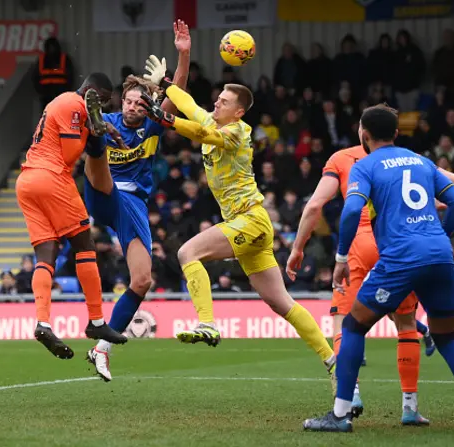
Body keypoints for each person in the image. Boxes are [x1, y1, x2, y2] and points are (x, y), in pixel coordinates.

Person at [302, 104, 454, 434]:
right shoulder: (422, 161)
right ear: (396, 133)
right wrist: (442, 233)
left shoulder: (365, 166)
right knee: (447, 337)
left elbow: (352, 212)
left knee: (352, 327)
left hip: (400, 258)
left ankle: (339, 415)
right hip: (439, 255)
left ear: (363, 135)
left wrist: (339, 259)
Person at [139, 56, 336, 376]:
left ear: (239, 111)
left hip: (250, 220)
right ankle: (331, 359)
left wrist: (164, 118)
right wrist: (166, 86)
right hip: (249, 225)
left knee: (188, 252)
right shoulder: (214, 121)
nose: (217, 103)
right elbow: (190, 106)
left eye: (224, 101)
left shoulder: (238, 132)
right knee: (281, 303)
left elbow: (205, 135)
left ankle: (207, 324)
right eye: (217, 99)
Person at [285, 144, 433, 424]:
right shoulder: (410, 158)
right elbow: (441, 197)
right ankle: (410, 408)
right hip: (395, 241)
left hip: (358, 242)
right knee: (406, 324)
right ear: (395, 133)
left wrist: (297, 248)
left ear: (364, 132)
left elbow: (315, 204)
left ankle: (350, 394)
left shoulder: (341, 158)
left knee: (344, 321)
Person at [84, 20, 191, 382]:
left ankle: (101, 350)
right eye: (128, 101)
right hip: (102, 192)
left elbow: (177, 97)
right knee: (98, 161)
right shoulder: (113, 117)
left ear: (148, 108)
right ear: (121, 101)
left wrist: (184, 53)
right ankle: (95, 138)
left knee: (142, 280)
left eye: (138, 104)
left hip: (133, 206)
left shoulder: (152, 125)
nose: (131, 107)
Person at [15, 73, 128, 359]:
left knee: (47, 254)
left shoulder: (64, 103)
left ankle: (43, 323)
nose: (100, 107)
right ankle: (97, 321)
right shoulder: (74, 104)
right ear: (91, 92)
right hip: (52, 177)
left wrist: (99, 130)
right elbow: (69, 153)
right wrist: (93, 132)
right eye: (101, 100)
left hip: (28, 180)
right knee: (84, 246)